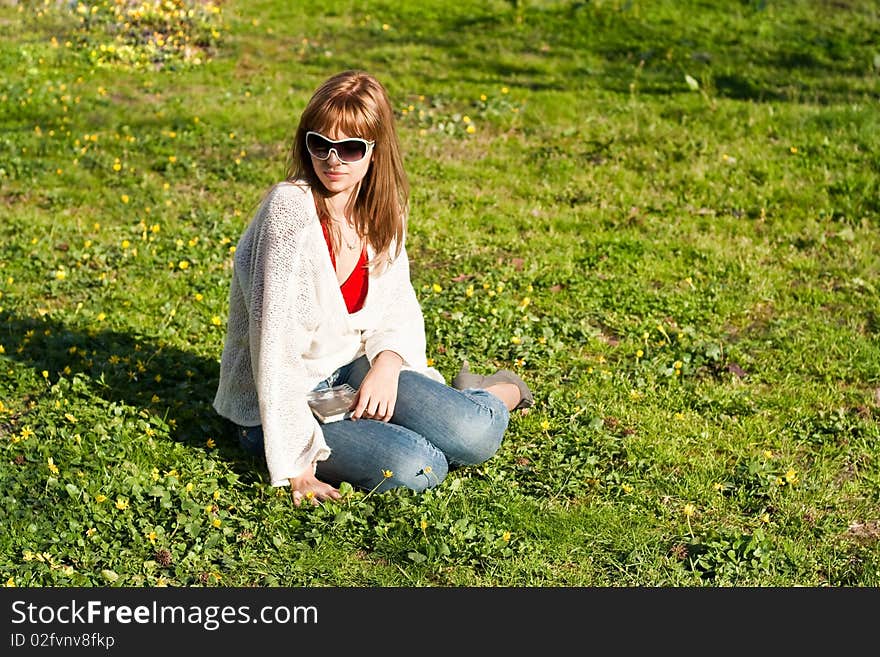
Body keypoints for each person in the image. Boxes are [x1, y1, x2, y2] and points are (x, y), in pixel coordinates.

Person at [212, 70, 533, 506]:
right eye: (319, 143)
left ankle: (496, 391)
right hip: (279, 406)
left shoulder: (383, 211)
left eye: (349, 148)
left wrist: (386, 363)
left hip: (351, 367)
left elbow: (397, 306)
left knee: (473, 435)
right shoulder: (289, 212)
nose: (332, 160)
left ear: (375, 152)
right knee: (420, 467)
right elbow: (274, 347)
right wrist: (297, 464)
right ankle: (428, 418)